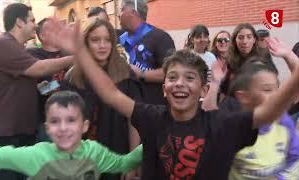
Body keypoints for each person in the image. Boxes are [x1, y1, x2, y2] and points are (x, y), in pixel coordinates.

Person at [42, 18, 299, 179]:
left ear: (202, 89)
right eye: (173, 77)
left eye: (189, 78)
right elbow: (110, 93)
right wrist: (80, 51)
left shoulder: (223, 124)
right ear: (164, 88)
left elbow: (268, 112)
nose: (179, 83)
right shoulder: (153, 117)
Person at [0, 4, 73, 180]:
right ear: (19, 22)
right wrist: (77, 57)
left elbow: (28, 86)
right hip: (0, 138)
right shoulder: (1, 44)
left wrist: (46, 87)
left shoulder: (16, 48)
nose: (34, 25)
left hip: (17, 136)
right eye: (32, 20)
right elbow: (39, 68)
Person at [0, 91, 143, 180]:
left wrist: (154, 137)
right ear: (47, 128)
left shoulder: (95, 152)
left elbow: (124, 163)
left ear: (84, 126)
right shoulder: (37, 155)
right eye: (55, 121)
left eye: (71, 120)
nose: (63, 128)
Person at [60, 19, 142, 180]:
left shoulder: (125, 73)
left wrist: (133, 161)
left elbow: (134, 120)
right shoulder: (72, 77)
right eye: (95, 40)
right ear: (86, 43)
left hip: (117, 154)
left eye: (107, 40)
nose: (102, 45)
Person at [225, 62, 299, 179]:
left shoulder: (284, 122)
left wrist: (281, 177)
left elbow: (295, 158)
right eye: (267, 90)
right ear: (244, 97)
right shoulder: (230, 130)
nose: (276, 95)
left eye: (277, 88)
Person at [118, 0, 175, 105]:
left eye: (122, 9)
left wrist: (143, 74)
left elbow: (172, 72)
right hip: (122, 108)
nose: (118, 15)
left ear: (133, 12)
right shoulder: (118, 38)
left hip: (150, 109)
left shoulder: (161, 37)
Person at [202, 30, 231, 110]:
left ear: (230, 43)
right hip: (208, 98)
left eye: (226, 40)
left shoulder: (233, 61)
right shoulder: (209, 58)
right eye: (219, 40)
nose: (223, 42)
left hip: (226, 102)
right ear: (215, 43)